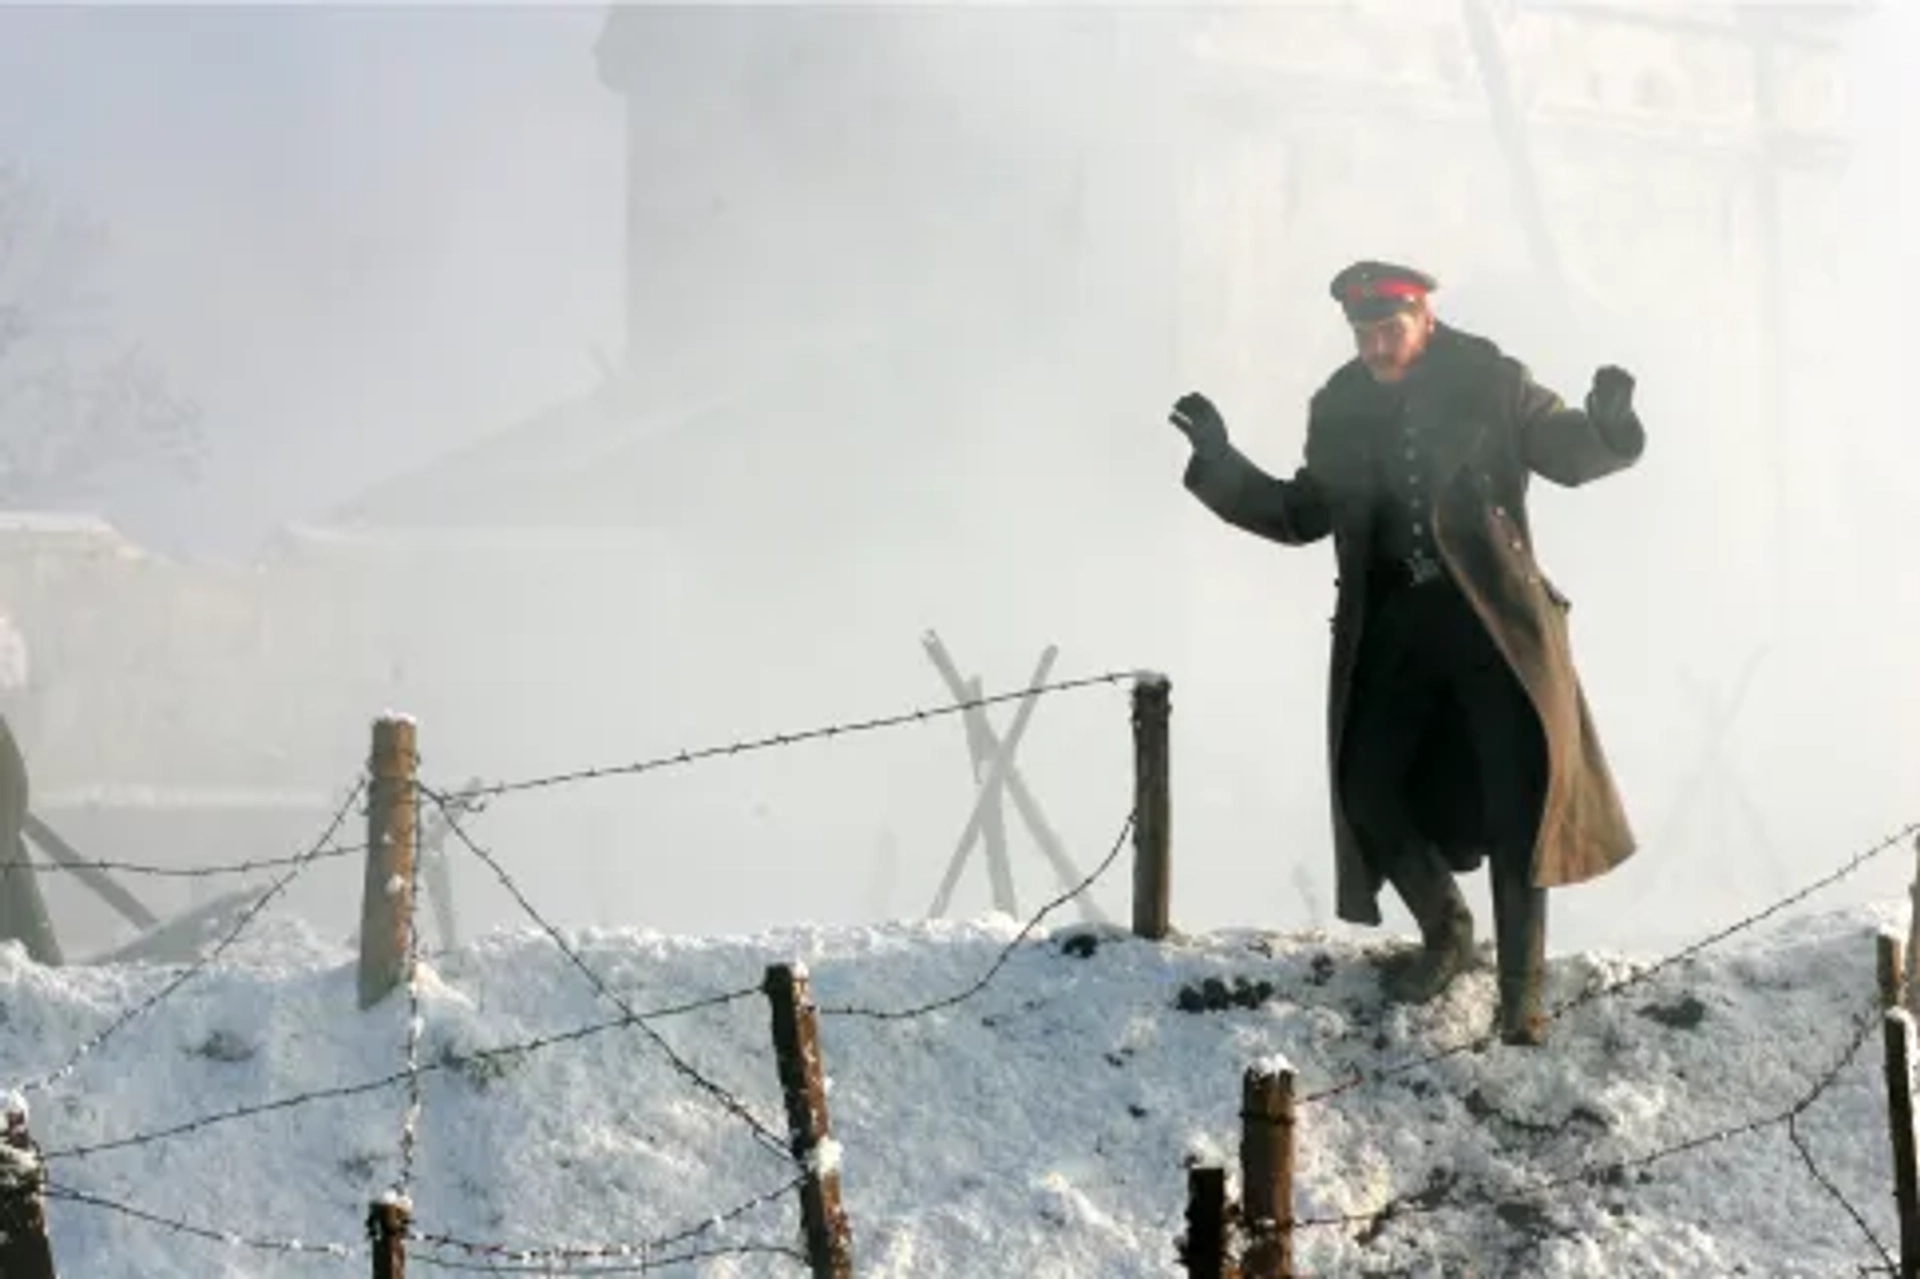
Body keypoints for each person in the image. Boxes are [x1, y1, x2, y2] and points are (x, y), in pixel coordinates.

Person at [1169, 260, 1643, 1046]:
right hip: (1395, 630)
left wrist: (1608, 428)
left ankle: (1521, 998)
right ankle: (1446, 931)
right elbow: (1300, 511)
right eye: (1364, 336)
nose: (1378, 349)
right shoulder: (1341, 405)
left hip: (1496, 626)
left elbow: (1564, 450)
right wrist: (1221, 464)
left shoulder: (1491, 378)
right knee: (1365, 783)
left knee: (1519, 798)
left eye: (1390, 331)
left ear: (1425, 318)